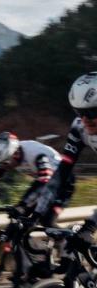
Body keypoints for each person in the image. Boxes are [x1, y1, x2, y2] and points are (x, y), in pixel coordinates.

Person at [32, 72, 97, 251]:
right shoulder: (78, 127)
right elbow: (62, 172)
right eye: (80, 112)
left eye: (92, 112)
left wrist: (90, 226)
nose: (85, 120)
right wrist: (37, 211)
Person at [0, 131, 75, 227]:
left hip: (63, 183)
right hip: (44, 180)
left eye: (5, 163)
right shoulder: (7, 156)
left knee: (46, 221)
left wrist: (23, 205)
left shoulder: (37, 154)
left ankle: (65, 243)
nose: (3, 167)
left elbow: (45, 182)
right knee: (19, 218)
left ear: (15, 153)